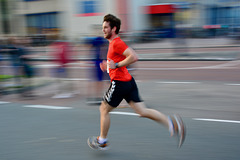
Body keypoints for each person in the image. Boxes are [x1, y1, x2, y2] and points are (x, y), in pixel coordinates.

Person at [87, 14, 186, 150]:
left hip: (120, 83)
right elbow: (117, 63)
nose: (103, 30)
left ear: (114, 29)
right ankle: (173, 124)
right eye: (102, 27)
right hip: (128, 82)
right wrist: (109, 66)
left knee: (103, 109)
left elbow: (133, 56)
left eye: (105, 27)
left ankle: (102, 141)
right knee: (142, 111)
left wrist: (116, 65)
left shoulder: (116, 43)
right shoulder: (113, 44)